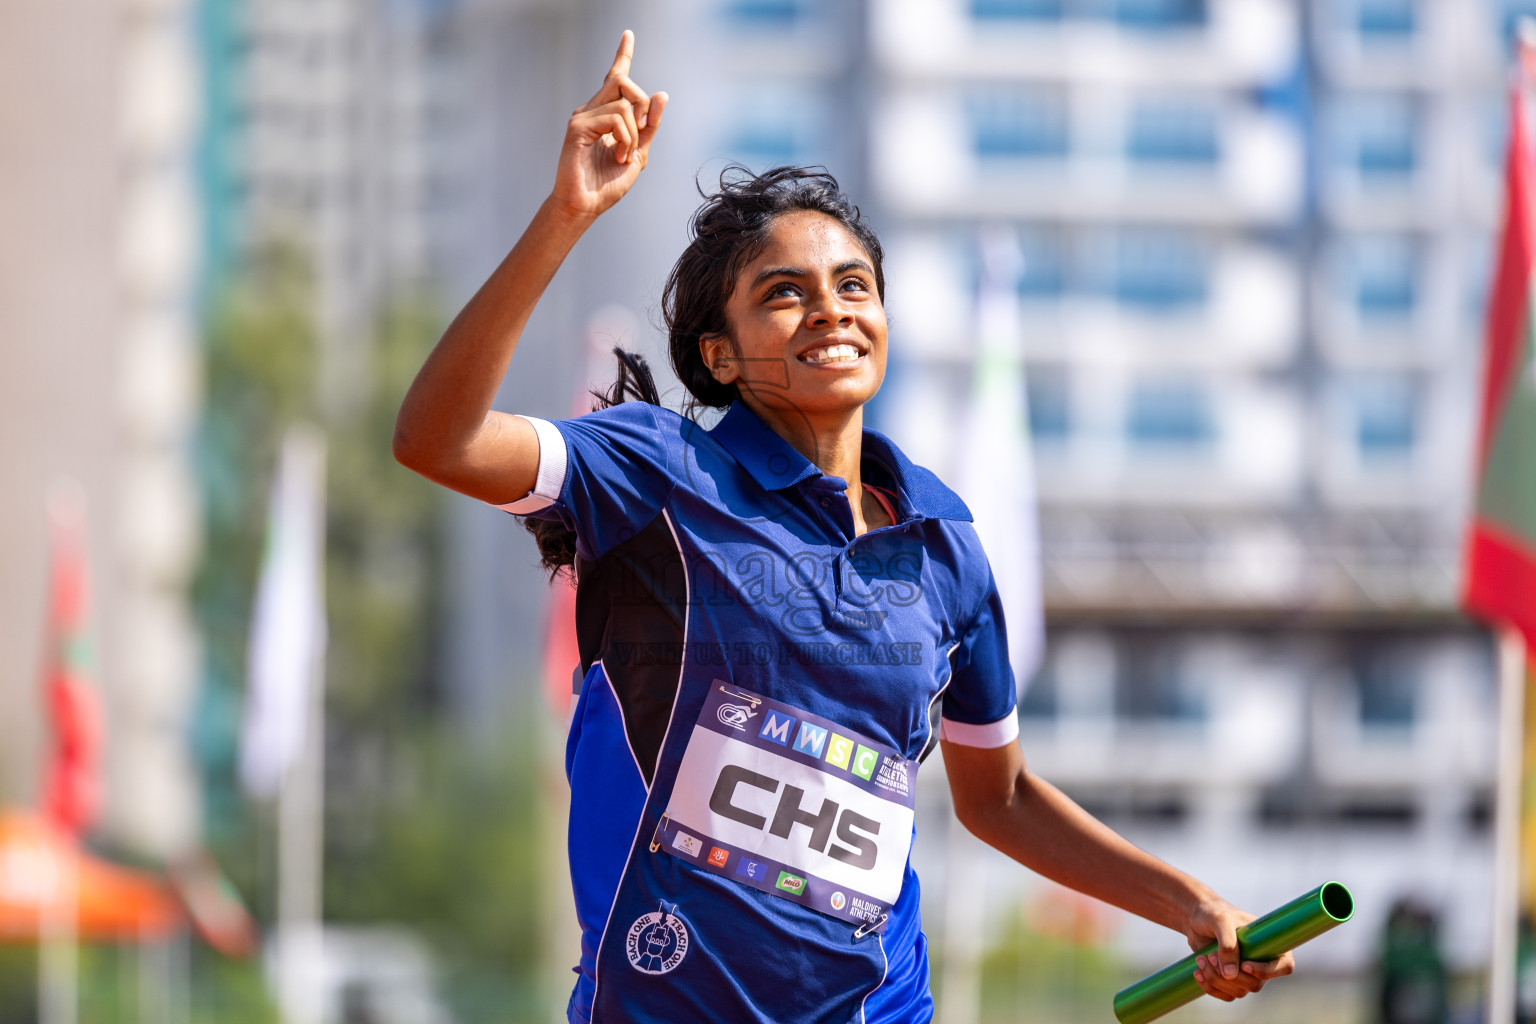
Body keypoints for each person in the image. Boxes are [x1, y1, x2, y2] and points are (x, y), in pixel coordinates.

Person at [393, 29, 1297, 1024]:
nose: (830, 311)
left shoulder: (946, 545)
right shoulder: (658, 470)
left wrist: (1188, 902)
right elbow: (440, 438)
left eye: (852, 285)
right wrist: (566, 216)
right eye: (783, 294)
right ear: (721, 355)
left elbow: (999, 797)